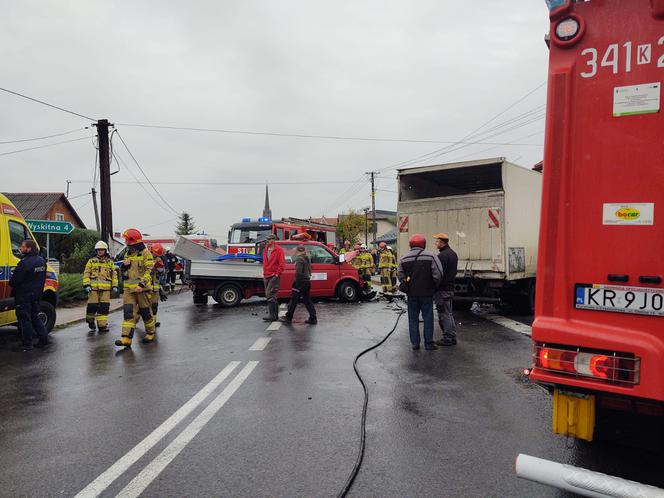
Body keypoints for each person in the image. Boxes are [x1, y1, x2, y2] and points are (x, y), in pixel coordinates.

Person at [398, 234, 443, 351]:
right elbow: (438, 274)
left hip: (412, 294)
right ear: (423, 244)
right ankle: (428, 343)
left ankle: (415, 343)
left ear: (410, 245)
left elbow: (400, 276)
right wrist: (434, 286)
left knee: (413, 319)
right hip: (427, 293)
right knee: (428, 318)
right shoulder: (431, 256)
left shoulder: (404, 258)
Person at [115, 228, 156, 347]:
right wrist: (123, 266)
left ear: (132, 241)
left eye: (127, 240)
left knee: (145, 313)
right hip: (129, 289)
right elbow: (126, 271)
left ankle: (150, 332)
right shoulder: (128, 253)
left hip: (142, 289)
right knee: (128, 313)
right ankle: (126, 338)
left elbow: (150, 270)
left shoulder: (146, 253)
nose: (125, 242)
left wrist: (141, 284)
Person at [9, 239, 50, 352]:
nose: (21, 248)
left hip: (24, 295)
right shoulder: (41, 261)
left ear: (29, 249)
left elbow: (14, 281)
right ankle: (44, 340)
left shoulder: (24, 263)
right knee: (35, 317)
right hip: (36, 294)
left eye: (22, 246)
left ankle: (27, 344)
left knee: (24, 319)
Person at [82, 241, 118, 333]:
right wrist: (86, 285)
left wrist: (115, 286)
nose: (100, 252)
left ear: (105, 251)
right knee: (92, 307)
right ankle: (90, 321)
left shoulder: (110, 262)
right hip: (93, 289)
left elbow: (114, 275)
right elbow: (86, 273)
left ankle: (102, 326)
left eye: (102, 250)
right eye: (98, 250)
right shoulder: (91, 261)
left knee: (104, 308)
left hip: (105, 290)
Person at [433, 233, 459, 346]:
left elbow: (438, 273)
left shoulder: (442, 256)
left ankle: (448, 337)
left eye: (437, 241)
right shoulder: (453, 254)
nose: (436, 243)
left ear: (442, 242)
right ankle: (452, 335)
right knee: (449, 313)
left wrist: (434, 286)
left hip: (442, 289)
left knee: (443, 313)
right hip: (450, 287)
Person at [282, 245, 317, 324]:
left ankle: (288, 317)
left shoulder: (299, 259)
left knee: (294, 300)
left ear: (298, 251)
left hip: (300, 282)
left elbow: (298, 273)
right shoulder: (306, 258)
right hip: (307, 281)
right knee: (307, 301)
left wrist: (296, 283)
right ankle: (313, 317)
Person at [262, 234, 285, 321]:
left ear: (273, 240)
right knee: (270, 295)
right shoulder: (266, 249)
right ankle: (274, 316)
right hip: (266, 275)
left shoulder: (279, 250)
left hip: (273, 276)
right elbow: (265, 262)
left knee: (270, 294)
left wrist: (277, 274)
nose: (267, 241)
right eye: (267, 239)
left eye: (269, 239)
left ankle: (273, 315)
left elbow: (282, 264)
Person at [149, 243, 168, 328]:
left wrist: (160, 269)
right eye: (155, 253)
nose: (156, 255)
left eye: (157, 254)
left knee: (154, 306)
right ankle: (139, 321)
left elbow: (162, 272)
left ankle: (153, 322)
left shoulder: (158, 259)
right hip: (145, 286)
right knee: (143, 306)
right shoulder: (145, 258)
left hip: (155, 286)